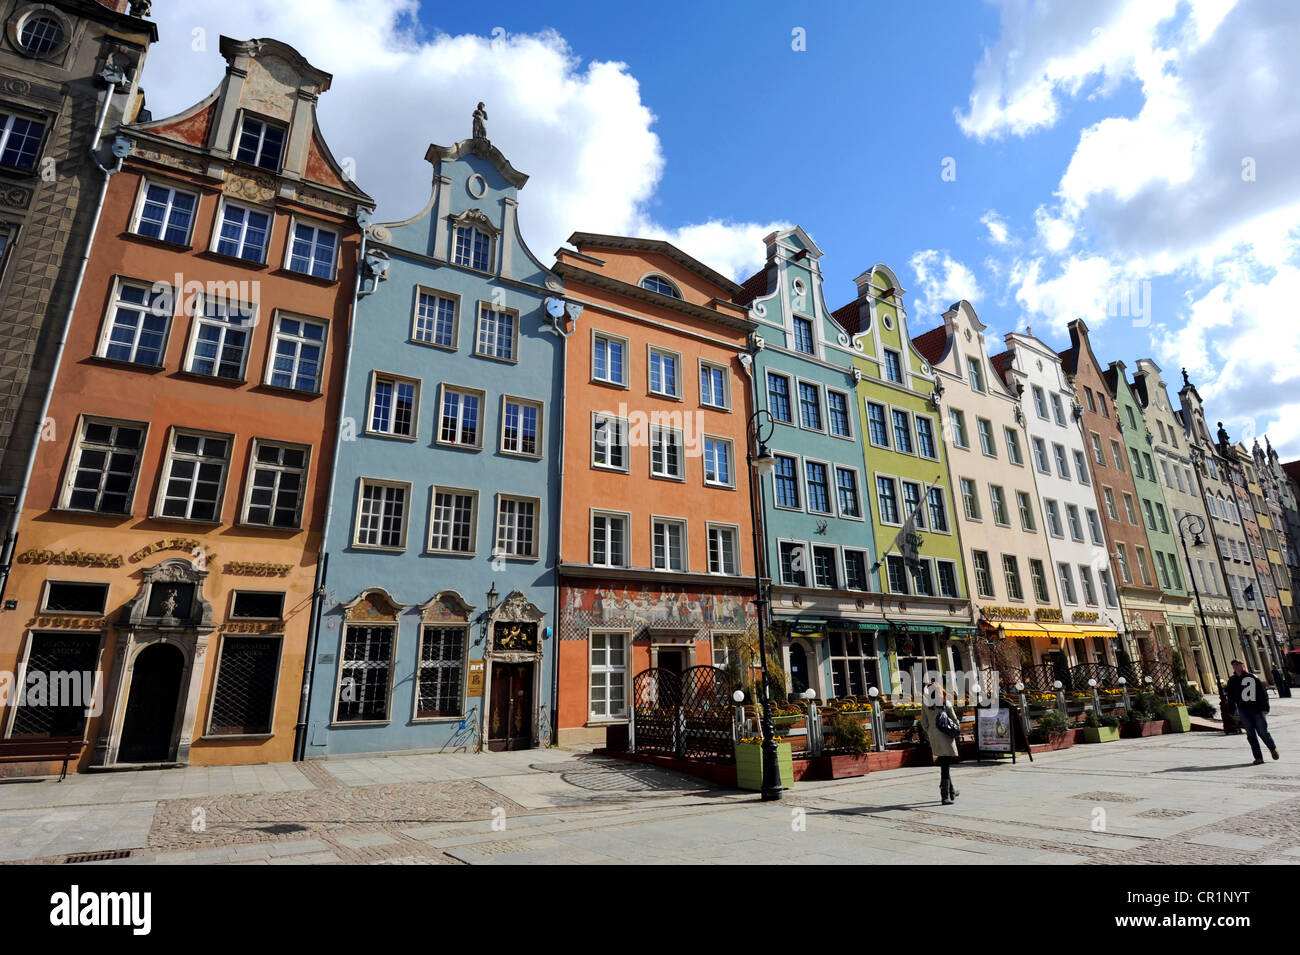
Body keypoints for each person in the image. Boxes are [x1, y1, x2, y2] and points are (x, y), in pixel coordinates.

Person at [1225, 659, 1279, 765]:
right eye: (1234, 665)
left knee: (1263, 732)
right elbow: (1230, 696)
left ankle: (1273, 748)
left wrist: (1265, 708)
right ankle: (1258, 757)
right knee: (1250, 734)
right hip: (1243, 710)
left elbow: (1262, 693)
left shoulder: (1253, 677)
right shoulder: (1232, 680)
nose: (1236, 667)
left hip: (1257, 709)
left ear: (1243, 666)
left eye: (1238, 665)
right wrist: (1231, 709)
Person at [919, 679, 961, 804]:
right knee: (945, 766)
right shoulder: (945, 704)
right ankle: (944, 796)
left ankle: (951, 791)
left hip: (934, 736)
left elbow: (923, 723)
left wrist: (931, 732)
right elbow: (955, 720)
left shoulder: (926, 705)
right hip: (945, 736)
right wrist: (955, 730)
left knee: (944, 763)